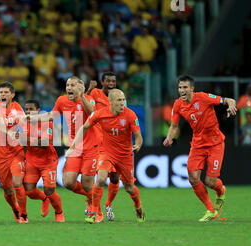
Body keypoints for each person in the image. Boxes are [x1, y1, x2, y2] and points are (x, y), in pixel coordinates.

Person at [163, 75, 237, 222]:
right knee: (193, 178)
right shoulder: (178, 105)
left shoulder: (203, 97)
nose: (182, 90)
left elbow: (227, 100)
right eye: (180, 87)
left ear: (192, 88)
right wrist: (169, 138)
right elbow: (174, 126)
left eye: (185, 87)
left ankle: (221, 191)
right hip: (197, 144)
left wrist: (231, 106)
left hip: (215, 143)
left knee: (210, 182)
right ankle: (210, 210)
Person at [67, 89, 146, 223]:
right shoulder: (100, 114)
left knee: (129, 187)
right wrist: (73, 147)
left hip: (125, 155)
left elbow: (138, 137)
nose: (122, 103)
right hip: (106, 153)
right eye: (119, 100)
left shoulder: (130, 115)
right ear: (110, 102)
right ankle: (94, 212)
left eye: (123, 100)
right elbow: (84, 127)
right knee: (101, 179)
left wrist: (138, 145)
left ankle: (138, 207)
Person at [26, 76, 98, 214]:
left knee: (87, 183)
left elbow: (91, 113)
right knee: (68, 182)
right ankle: (90, 198)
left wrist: (82, 96)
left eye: (72, 85)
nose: (69, 88)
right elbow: (52, 116)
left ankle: (95, 209)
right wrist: (31, 118)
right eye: (67, 85)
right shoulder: (61, 100)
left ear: (79, 87)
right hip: (75, 146)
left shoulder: (87, 99)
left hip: (91, 145)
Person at [0, 82, 48, 223]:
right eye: (1, 92)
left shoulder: (17, 108)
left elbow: (24, 126)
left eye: (6, 92)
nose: (2, 95)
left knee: (17, 183)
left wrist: (27, 140)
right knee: (7, 190)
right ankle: (15, 209)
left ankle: (24, 215)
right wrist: (9, 132)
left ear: (12, 95)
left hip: (15, 152)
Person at [18, 99, 64, 222]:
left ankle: (59, 212)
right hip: (32, 161)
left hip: (48, 161)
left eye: (31, 109)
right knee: (29, 190)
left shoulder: (46, 122)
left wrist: (26, 139)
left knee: (49, 190)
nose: (28, 112)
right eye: (26, 109)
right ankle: (44, 198)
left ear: (38, 111)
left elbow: (45, 143)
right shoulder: (23, 123)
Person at [85, 72, 122, 222]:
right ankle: (93, 207)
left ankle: (108, 205)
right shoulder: (95, 93)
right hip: (98, 141)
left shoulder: (119, 97)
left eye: (114, 80)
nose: (111, 83)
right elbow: (86, 106)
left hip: (114, 142)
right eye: (108, 81)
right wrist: (88, 90)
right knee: (98, 177)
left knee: (114, 177)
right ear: (102, 82)